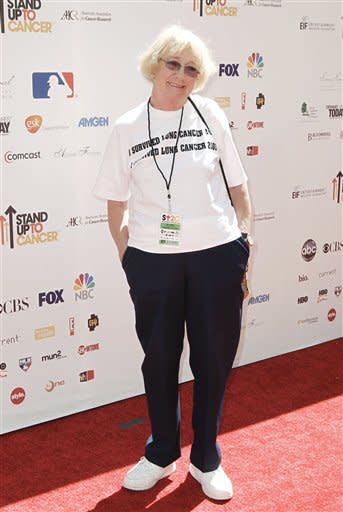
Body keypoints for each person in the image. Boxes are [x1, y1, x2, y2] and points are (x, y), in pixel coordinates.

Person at [93, 25, 253, 501]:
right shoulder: (125, 127)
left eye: (191, 69)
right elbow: (115, 204)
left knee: (212, 361)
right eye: (173, 64)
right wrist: (131, 260)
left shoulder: (211, 115)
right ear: (154, 65)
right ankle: (162, 451)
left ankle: (206, 458)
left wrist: (243, 240)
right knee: (159, 361)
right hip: (153, 263)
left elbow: (239, 187)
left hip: (217, 256)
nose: (180, 76)